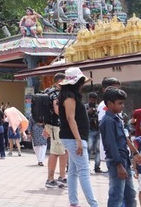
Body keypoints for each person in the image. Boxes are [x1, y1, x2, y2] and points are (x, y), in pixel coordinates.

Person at [58, 67, 98, 207]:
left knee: (74, 171)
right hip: (74, 137)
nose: (82, 85)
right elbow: (70, 118)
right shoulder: (69, 97)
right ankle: (93, 204)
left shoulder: (68, 95)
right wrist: (79, 140)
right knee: (84, 172)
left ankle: (74, 202)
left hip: (72, 137)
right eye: (81, 82)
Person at [101, 87, 137, 207]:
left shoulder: (117, 118)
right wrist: (118, 164)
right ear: (110, 104)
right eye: (119, 103)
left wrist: (135, 153)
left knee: (130, 194)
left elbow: (123, 139)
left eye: (123, 103)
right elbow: (111, 144)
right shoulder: (108, 121)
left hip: (124, 160)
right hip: (117, 162)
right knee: (116, 195)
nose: (122, 106)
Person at [43, 72, 68, 188]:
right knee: (55, 153)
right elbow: (57, 110)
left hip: (51, 125)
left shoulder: (48, 91)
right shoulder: (56, 94)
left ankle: (62, 177)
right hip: (56, 126)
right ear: (60, 81)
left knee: (62, 152)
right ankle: (51, 179)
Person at [86, 92, 102, 173]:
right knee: (88, 149)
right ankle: (87, 166)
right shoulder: (85, 107)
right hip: (89, 130)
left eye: (94, 100)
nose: (93, 102)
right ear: (89, 99)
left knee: (98, 149)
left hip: (98, 130)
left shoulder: (98, 107)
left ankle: (97, 167)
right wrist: (88, 112)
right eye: (91, 100)